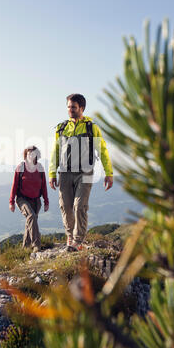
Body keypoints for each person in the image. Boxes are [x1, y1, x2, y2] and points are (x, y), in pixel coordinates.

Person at [49, 93, 113, 251]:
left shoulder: (92, 128)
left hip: (85, 173)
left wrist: (109, 173)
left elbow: (103, 150)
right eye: (69, 107)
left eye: (74, 107)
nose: (70, 110)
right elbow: (55, 151)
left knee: (80, 206)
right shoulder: (62, 128)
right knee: (65, 206)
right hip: (64, 172)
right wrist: (52, 173)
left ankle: (78, 241)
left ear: (82, 108)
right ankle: (70, 236)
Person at [9, 145, 49, 252]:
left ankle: (25, 247)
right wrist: (11, 202)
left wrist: (46, 201)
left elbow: (44, 186)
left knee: (30, 222)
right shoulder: (20, 168)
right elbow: (14, 185)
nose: (31, 156)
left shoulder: (40, 168)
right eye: (29, 154)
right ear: (25, 155)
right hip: (22, 199)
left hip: (36, 200)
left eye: (33, 153)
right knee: (31, 216)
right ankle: (36, 244)